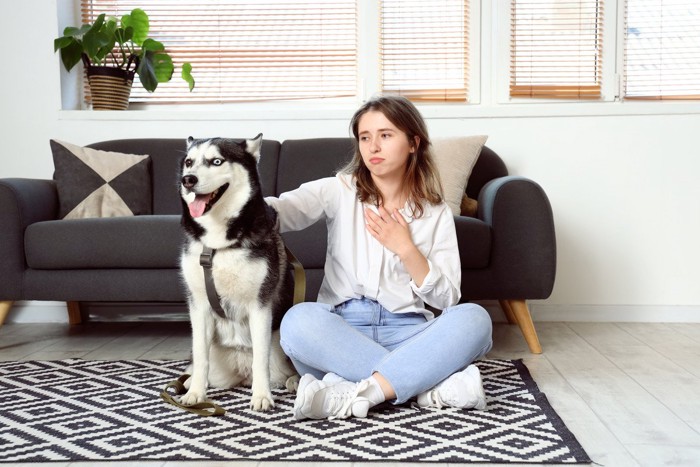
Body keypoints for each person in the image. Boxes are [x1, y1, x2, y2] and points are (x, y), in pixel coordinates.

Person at [265, 95, 493, 420]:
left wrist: (406, 248)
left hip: (409, 332)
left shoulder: (435, 211)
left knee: (475, 319)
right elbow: (284, 210)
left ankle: (360, 391)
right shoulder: (339, 189)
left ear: (413, 142)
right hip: (341, 331)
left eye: (385, 135)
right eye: (365, 137)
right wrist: (240, 203)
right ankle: (425, 388)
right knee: (298, 322)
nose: (373, 147)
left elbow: (447, 298)